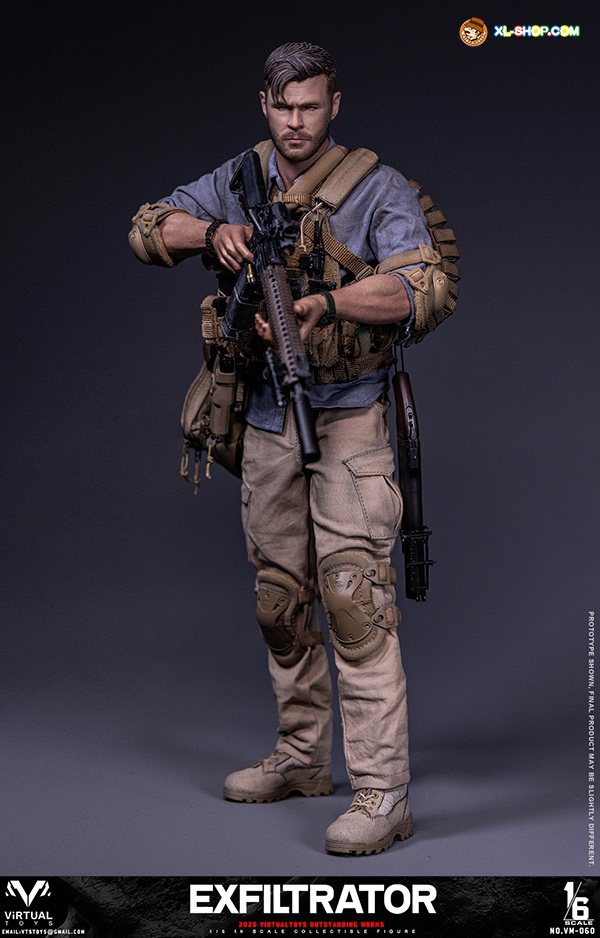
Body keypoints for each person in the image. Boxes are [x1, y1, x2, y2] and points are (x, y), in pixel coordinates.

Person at [129, 41, 450, 855]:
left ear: (334, 105)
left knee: (353, 601)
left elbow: (425, 286)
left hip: (348, 419)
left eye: (310, 106)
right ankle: (303, 757)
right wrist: (215, 232)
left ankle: (382, 791)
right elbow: (146, 229)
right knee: (280, 597)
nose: (296, 121)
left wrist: (328, 305)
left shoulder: (377, 188)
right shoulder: (241, 176)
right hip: (268, 418)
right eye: (283, 107)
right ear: (264, 107)